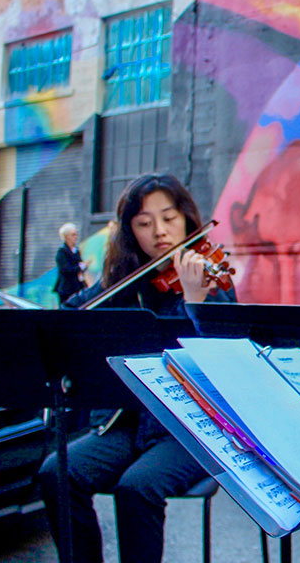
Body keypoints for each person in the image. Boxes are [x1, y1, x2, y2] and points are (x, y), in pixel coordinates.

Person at [38, 174, 236, 563]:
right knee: (57, 472)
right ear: (130, 231)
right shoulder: (127, 281)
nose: (159, 233)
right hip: (126, 421)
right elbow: (69, 316)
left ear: (187, 221)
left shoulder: (211, 281)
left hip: (189, 427)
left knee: (137, 487)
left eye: (169, 218)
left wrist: (194, 301)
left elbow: (218, 363)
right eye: (144, 223)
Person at [54, 223, 89, 304]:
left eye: (76, 234)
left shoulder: (76, 251)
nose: (76, 237)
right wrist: (81, 266)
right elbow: (66, 269)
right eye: (73, 235)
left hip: (77, 286)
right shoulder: (62, 252)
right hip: (67, 289)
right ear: (66, 237)